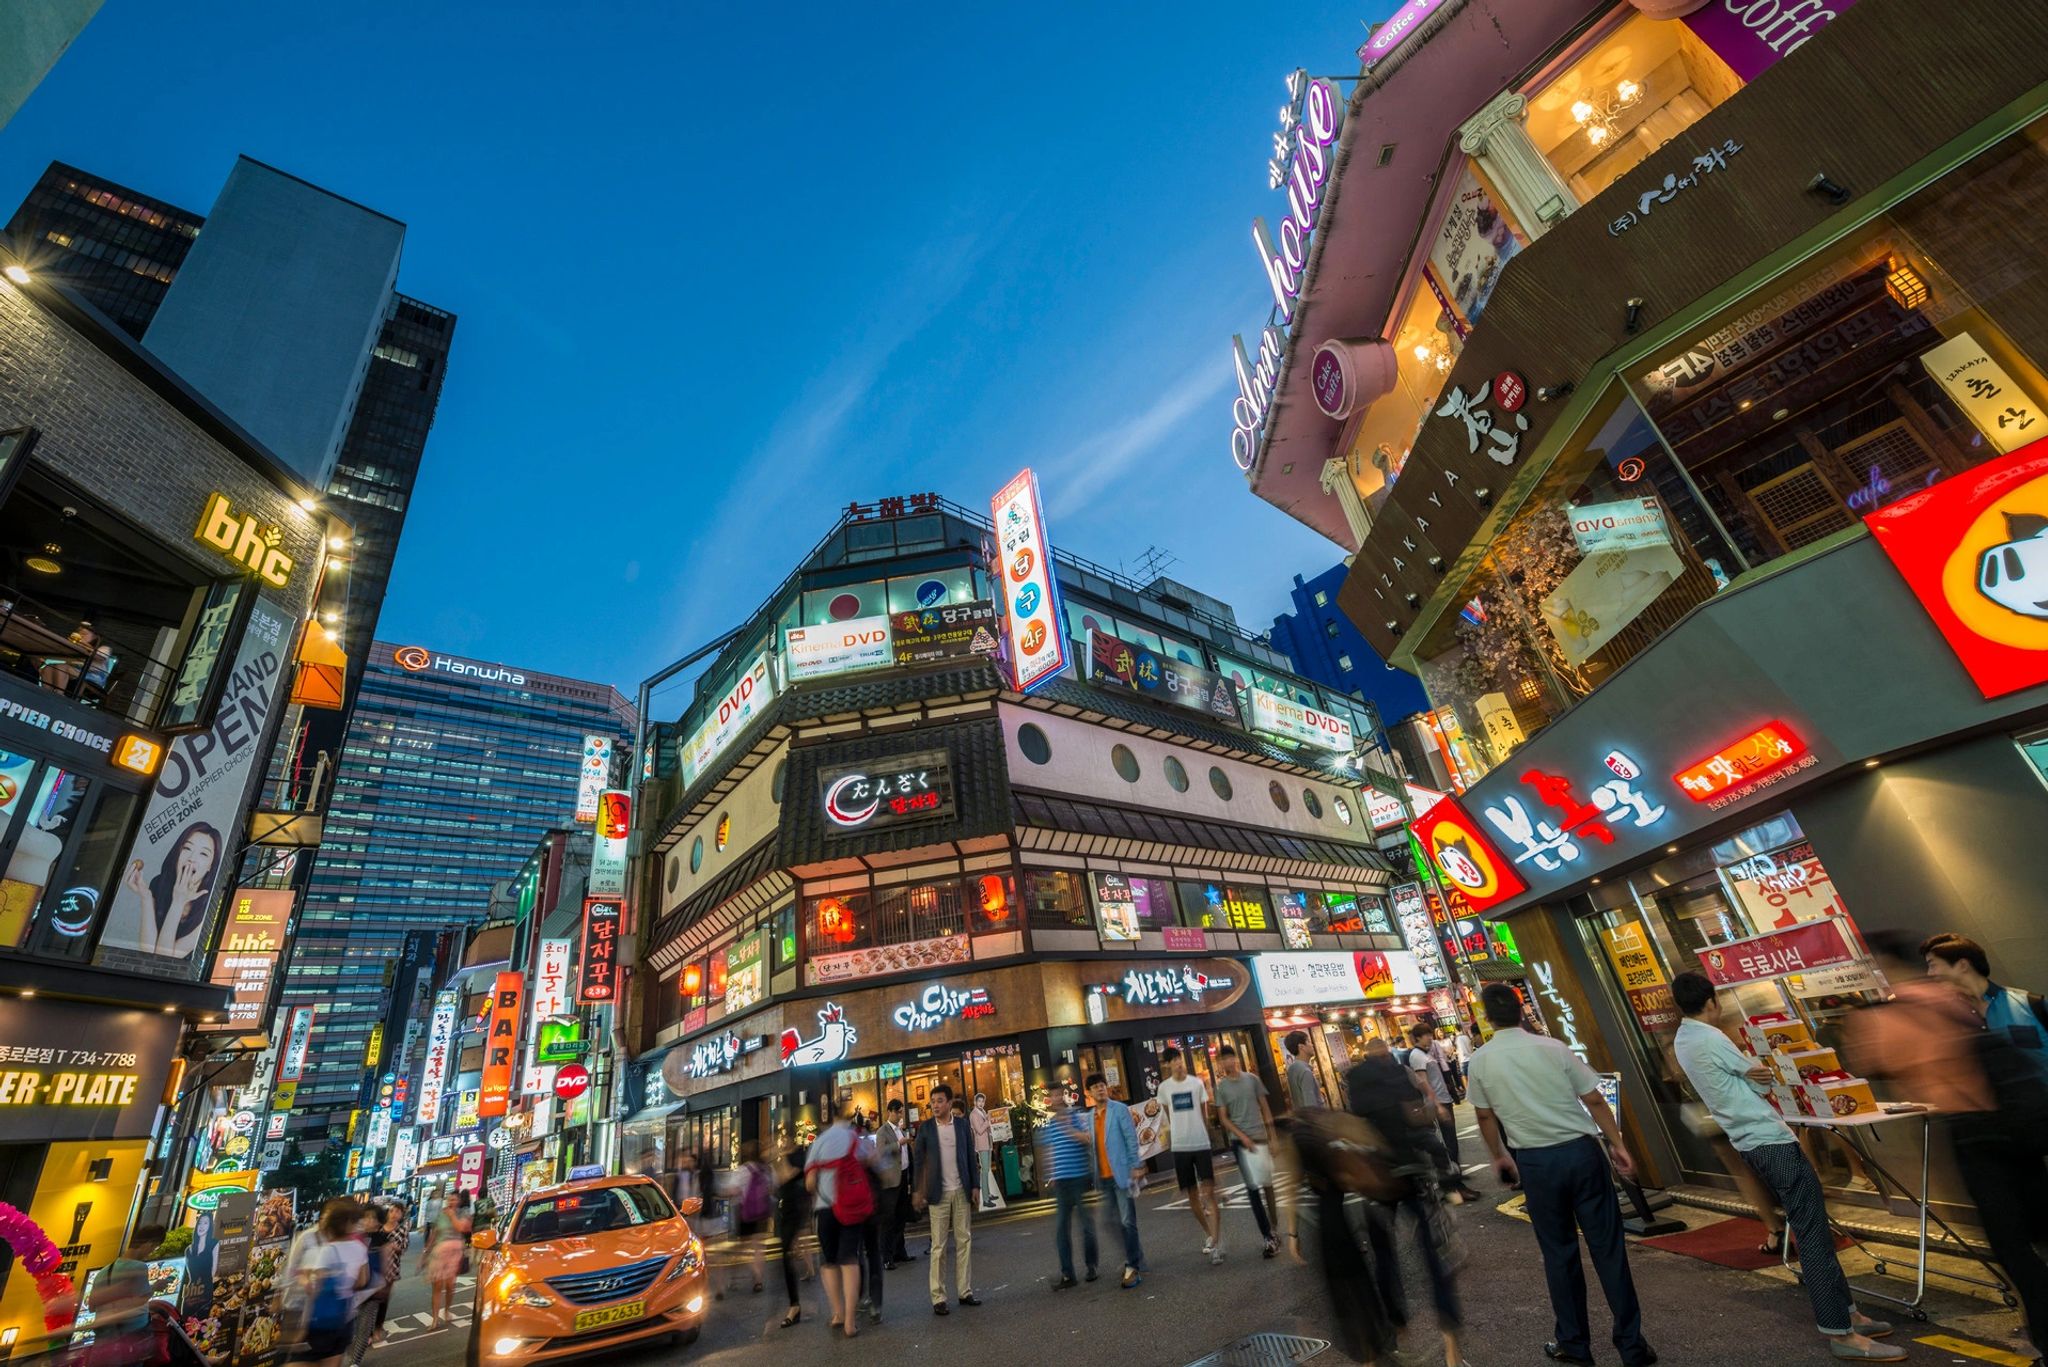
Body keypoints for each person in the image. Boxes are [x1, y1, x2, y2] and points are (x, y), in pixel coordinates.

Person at [1669, 970, 1901, 1362]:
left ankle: (1849, 1314)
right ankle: (1841, 1332)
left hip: (1750, 1141)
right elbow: (1760, 1080)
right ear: (1712, 1002)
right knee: (1813, 1237)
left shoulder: (1684, 1039)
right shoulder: (1711, 1037)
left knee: (1814, 1231)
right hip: (1769, 1140)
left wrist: (1753, 1073)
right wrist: (1761, 1072)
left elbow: (1747, 1077)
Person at [1849, 931, 2048, 1355]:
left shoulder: (1888, 1015)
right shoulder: (1947, 1000)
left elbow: (1873, 1062)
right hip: (2017, 1124)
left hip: (1971, 1133)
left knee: (2011, 1244)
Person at [1465, 983, 1655, 1367]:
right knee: (1609, 1249)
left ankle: (1574, 1344)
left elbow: (1484, 1115)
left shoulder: (1481, 1061)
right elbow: (1594, 1098)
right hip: (1582, 1154)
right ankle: (1632, 1346)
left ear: (1486, 1017)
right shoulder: (1554, 1048)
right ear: (1522, 1009)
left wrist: (1499, 1156)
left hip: (1536, 1163)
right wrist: (1618, 1144)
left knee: (1559, 1253)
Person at [1346, 1037, 1466, 1367]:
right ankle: (1450, 1340)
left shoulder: (1356, 1081)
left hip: (1378, 1177)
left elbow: (1357, 1127)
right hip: (1410, 1170)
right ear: (1386, 1053)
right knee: (1431, 1251)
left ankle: (1395, 1327)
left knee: (1384, 1256)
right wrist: (1444, 1169)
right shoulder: (1398, 1075)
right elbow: (1417, 1121)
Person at [806, 1095, 876, 1338]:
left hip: (825, 1208)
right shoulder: (854, 1137)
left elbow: (810, 1182)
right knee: (849, 1259)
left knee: (829, 1261)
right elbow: (872, 1160)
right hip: (851, 1207)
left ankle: (837, 1313)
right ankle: (850, 1322)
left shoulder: (819, 1141)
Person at [912, 1082, 982, 1314]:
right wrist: (917, 1190)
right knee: (938, 1246)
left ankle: (965, 1291)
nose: (935, 1105)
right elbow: (919, 1161)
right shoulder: (926, 1128)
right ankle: (938, 1297)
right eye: (932, 1102)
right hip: (938, 1193)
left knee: (964, 1241)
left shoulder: (962, 1125)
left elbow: (970, 1156)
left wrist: (975, 1185)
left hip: (961, 1190)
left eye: (940, 1101)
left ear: (950, 1103)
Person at [1212, 1044, 1280, 1257]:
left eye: (1229, 1058)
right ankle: (1267, 1236)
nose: (1226, 1062)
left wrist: (1273, 1137)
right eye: (1222, 1060)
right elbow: (1224, 1118)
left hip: (1260, 1138)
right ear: (1220, 1063)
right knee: (1252, 1189)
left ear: (1236, 1059)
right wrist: (1242, 1137)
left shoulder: (1252, 1080)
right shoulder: (1221, 1087)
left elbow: (1265, 1108)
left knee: (1267, 1184)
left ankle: (1274, 1227)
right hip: (1240, 1143)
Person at [1156, 1047, 1224, 1263]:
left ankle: (1216, 1243)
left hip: (1201, 1143)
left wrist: (1209, 1141)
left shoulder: (1196, 1083)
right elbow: (1167, 1116)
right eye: (1173, 1060)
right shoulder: (1164, 1088)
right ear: (1167, 1065)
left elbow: (1204, 1114)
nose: (1177, 1063)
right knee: (1192, 1196)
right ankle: (1209, 1234)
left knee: (1209, 1193)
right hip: (1180, 1147)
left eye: (1179, 1058)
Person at [1082, 1074, 1146, 1287]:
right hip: (1103, 1177)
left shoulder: (1119, 1109)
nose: (1100, 1089)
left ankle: (1133, 1267)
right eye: (1095, 1087)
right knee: (1108, 1221)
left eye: (1102, 1085)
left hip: (1122, 1174)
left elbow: (1130, 1138)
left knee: (1127, 1221)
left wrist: (1136, 1165)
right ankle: (1135, 1255)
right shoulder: (1090, 1117)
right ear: (1089, 1093)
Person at [1407, 1026, 1481, 1201]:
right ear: (1417, 1038)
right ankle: (1454, 1187)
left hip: (1443, 1099)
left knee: (1451, 1144)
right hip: (1437, 1104)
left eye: (1429, 1034)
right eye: (1425, 1035)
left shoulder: (1426, 1052)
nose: (1429, 1038)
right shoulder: (1417, 1055)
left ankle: (1455, 1183)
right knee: (1448, 1146)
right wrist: (1438, 1106)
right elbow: (1423, 1083)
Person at [1038, 1081, 1099, 1287]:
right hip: (1062, 1182)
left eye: (1058, 1095)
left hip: (1080, 1178)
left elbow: (1088, 1138)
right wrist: (1051, 1174)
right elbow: (1050, 1150)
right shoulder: (1050, 1123)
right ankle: (1067, 1274)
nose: (1055, 1099)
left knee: (1086, 1225)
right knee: (1061, 1230)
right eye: (1052, 1096)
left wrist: (1069, 1130)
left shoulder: (1076, 1115)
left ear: (1063, 1096)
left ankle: (1091, 1266)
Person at [295, 1199, 370, 1367]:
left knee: (305, 1361)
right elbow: (362, 1281)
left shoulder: (327, 1251)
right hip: (345, 1318)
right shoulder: (360, 1248)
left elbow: (315, 1289)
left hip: (322, 1321)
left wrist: (304, 1278)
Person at [87, 1222, 163, 1367]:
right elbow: (139, 1301)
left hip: (102, 1344)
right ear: (149, 1244)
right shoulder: (139, 1267)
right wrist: (156, 1287)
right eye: (155, 1248)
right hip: (128, 1344)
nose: (152, 1252)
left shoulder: (103, 1272)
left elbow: (91, 1307)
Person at [343, 1204, 395, 1367]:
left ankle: (354, 1362)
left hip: (372, 1289)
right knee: (349, 1327)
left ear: (379, 1221)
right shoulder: (354, 1237)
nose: (369, 1221)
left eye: (373, 1217)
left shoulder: (383, 1239)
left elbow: (386, 1262)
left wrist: (385, 1285)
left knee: (364, 1329)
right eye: (366, 1217)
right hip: (352, 1288)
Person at [773, 1143, 811, 1328]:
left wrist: (778, 1158)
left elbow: (788, 1175)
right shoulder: (784, 1157)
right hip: (785, 1212)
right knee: (786, 1258)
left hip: (796, 1211)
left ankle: (794, 1306)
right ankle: (794, 1305)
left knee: (788, 1256)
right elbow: (779, 1182)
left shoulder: (798, 1155)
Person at [731, 1140, 772, 1296]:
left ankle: (735, 1277)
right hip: (762, 1213)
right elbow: (772, 1188)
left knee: (742, 1246)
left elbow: (734, 1190)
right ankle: (758, 1280)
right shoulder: (766, 1169)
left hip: (746, 1213)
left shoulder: (743, 1170)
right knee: (758, 1248)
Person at [424, 1191, 470, 1329]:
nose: (451, 1202)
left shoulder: (463, 1213)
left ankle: (447, 1310)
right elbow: (435, 1233)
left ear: (459, 1201)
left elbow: (461, 1228)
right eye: (449, 1199)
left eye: (454, 1199)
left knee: (450, 1285)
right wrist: (426, 1250)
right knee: (437, 1286)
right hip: (439, 1253)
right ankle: (434, 1319)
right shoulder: (441, 1214)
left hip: (454, 1254)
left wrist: (452, 1215)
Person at [876, 1101, 910, 1268]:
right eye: (897, 1112)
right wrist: (898, 1144)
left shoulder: (900, 1130)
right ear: (889, 1111)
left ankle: (900, 1252)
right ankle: (887, 1257)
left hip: (903, 1175)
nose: (899, 1115)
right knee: (888, 1219)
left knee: (900, 1217)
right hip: (890, 1180)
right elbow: (880, 1151)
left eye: (901, 1112)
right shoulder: (882, 1131)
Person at [1283, 1030, 1325, 1112]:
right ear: (1301, 1047)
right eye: (1308, 1041)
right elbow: (1311, 1104)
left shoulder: (1292, 1068)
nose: (1312, 1045)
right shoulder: (1305, 1071)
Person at [969, 1092, 997, 1209]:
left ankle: (988, 1194)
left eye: (982, 1101)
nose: (981, 1103)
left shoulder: (982, 1112)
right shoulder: (974, 1114)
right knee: (984, 1171)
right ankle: (985, 1199)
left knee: (987, 1170)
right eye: (979, 1101)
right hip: (982, 1145)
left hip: (987, 1144)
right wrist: (988, 1121)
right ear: (975, 1102)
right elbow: (979, 1130)